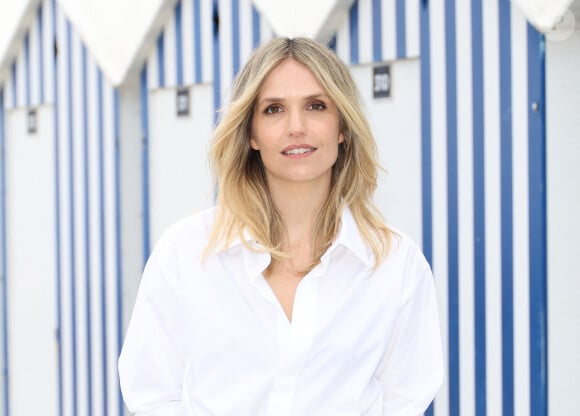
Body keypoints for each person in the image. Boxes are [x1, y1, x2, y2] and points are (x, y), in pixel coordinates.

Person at [118, 37, 443, 415]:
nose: (297, 127)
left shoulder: (396, 265)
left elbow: (405, 401)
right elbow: (152, 394)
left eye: (316, 106)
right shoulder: (185, 252)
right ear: (251, 133)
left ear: (342, 127)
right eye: (274, 109)